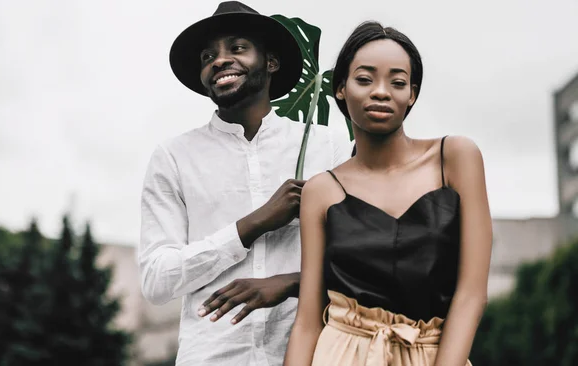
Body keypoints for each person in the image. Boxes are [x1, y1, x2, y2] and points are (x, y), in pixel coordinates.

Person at [138, 2, 353, 365]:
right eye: (209, 56)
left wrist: (290, 283)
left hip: (312, 353)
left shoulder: (328, 147)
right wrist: (251, 226)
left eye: (237, 48)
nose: (220, 60)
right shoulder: (173, 157)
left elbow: (363, 260)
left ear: (270, 62)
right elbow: (157, 281)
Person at [284, 21, 492, 366]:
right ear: (340, 89)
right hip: (341, 354)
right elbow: (308, 319)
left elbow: (471, 295)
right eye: (365, 79)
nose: (381, 92)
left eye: (397, 82)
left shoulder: (455, 157)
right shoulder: (321, 189)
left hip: (432, 353)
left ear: (411, 93)